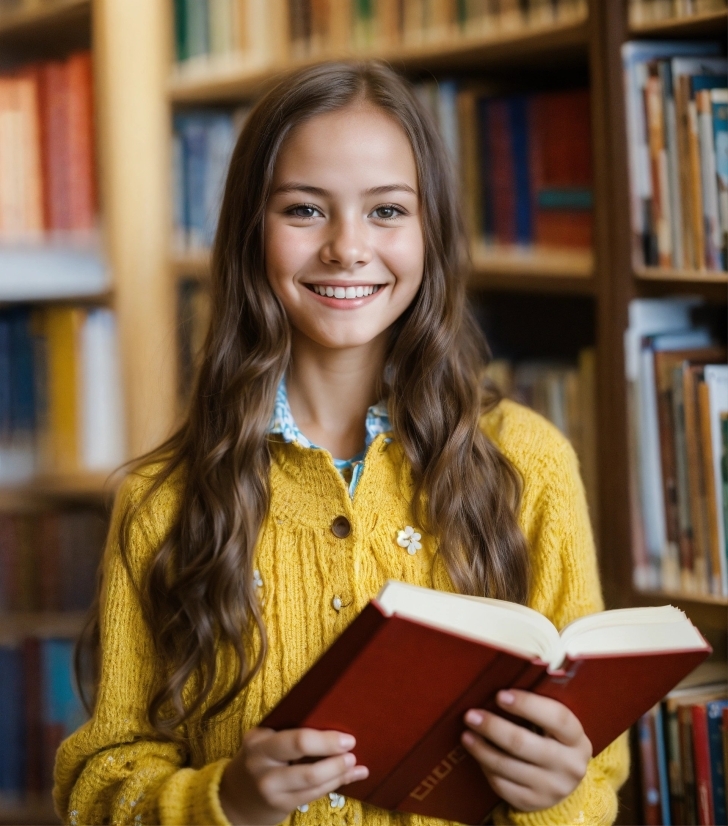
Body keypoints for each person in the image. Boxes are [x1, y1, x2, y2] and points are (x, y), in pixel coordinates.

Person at [54, 60, 629, 826]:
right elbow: (101, 782)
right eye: (304, 210)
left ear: (432, 231)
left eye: (388, 211)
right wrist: (226, 798)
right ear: (249, 231)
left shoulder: (530, 462)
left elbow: (595, 774)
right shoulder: (163, 500)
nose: (347, 248)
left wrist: (559, 796)